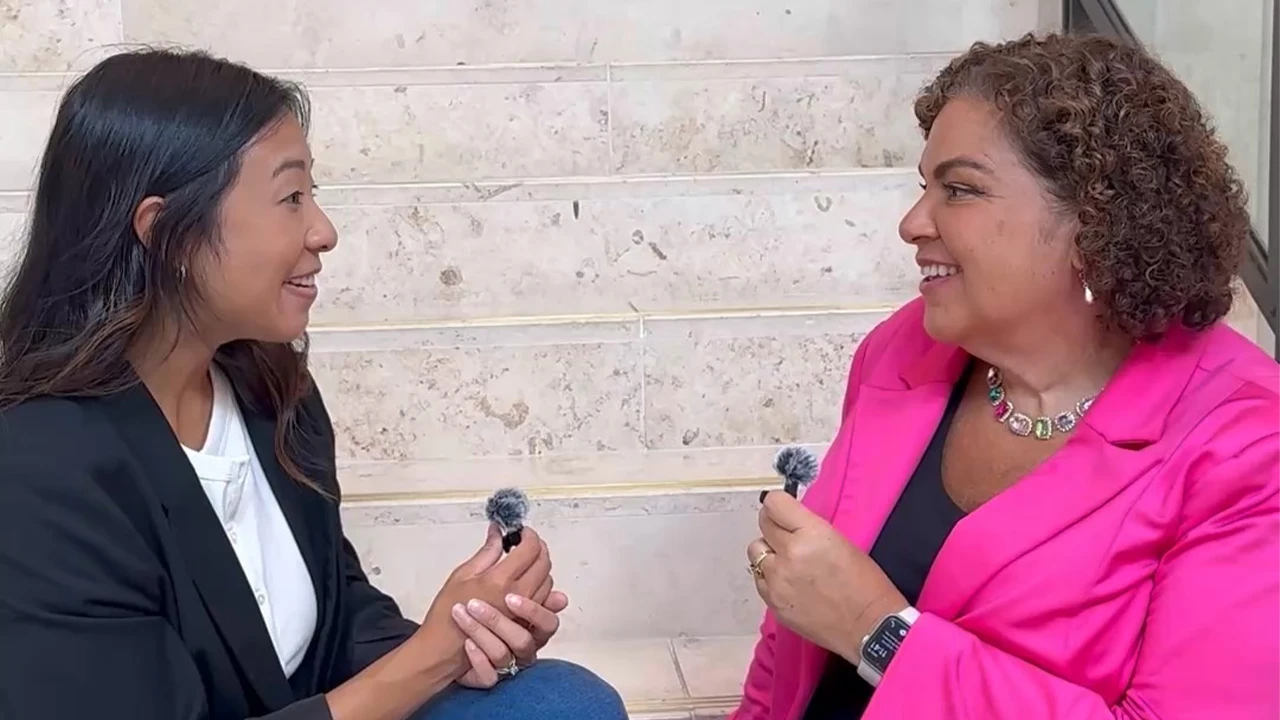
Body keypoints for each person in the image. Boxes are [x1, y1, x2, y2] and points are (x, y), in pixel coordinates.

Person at [0, 48, 627, 720]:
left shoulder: (269, 389)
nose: (322, 232)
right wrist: (427, 661)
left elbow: (337, 620)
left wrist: (472, 627)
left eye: (313, 195)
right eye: (289, 198)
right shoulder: (40, 470)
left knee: (563, 701)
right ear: (166, 234)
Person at [733, 32, 1279, 720]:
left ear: (1093, 221)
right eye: (923, 187)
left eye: (959, 190)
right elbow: (791, 639)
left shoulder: (1249, 448)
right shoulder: (903, 351)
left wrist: (878, 632)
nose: (911, 223)